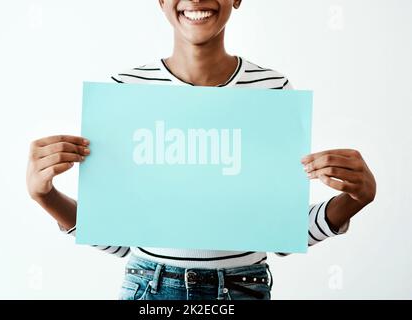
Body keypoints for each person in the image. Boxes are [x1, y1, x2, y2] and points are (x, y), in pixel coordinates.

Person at [26, 0, 376, 300]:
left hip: (244, 287)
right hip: (150, 287)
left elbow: (282, 233)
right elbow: (117, 237)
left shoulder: (273, 91)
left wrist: (356, 199)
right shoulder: (126, 90)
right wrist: (45, 196)